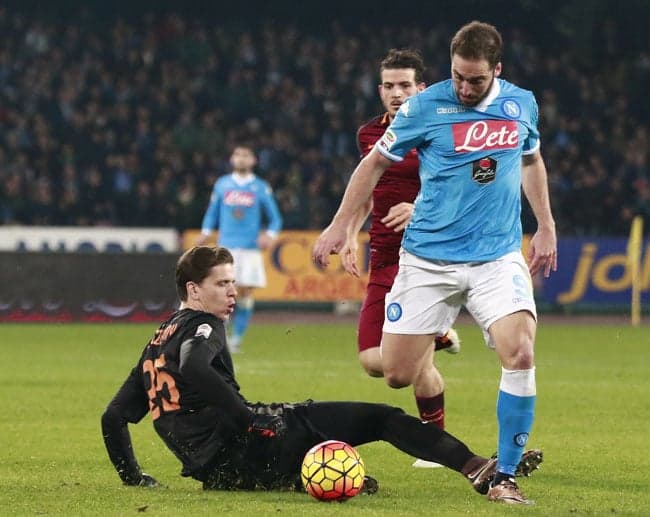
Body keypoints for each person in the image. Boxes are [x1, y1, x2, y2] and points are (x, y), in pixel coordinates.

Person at [313, 21, 557, 505]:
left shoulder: (521, 104)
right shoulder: (426, 106)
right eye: (458, 77)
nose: (465, 88)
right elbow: (374, 164)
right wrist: (342, 224)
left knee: (520, 351)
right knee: (396, 373)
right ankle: (435, 334)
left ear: (497, 70)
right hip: (427, 260)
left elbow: (531, 160)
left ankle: (503, 474)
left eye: (476, 80)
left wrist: (545, 225)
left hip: (496, 255)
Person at [101, 246, 542, 499]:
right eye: (222, 284)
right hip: (250, 444)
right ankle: (480, 468)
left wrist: (133, 476)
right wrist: (247, 419)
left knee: (317, 450)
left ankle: (302, 478)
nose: (233, 292)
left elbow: (114, 417)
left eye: (233, 282)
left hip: (219, 473)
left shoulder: (156, 342)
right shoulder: (202, 325)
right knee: (382, 419)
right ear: (193, 290)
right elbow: (194, 366)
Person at [342, 49, 461, 468]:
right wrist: (348, 233)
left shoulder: (442, 130)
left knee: (400, 374)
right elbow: (366, 190)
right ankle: (433, 336)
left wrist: (419, 207)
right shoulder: (368, 135)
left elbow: (461, 191)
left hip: (427, 257)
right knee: (372, 363)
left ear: (421, 89)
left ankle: (436, 444)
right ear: (380, 90)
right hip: (384, 256)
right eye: (390, 86)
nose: (397, 93)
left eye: (405, 85)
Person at [196, 145, 282, 352]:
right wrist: (206, 230)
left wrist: (269, 236)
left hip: (250, 248)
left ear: (253, 160)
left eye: (245, 155)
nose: (241, 159)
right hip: (226, 249)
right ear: (232, 159)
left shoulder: (260, 187)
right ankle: (221, 336)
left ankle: (237, 338)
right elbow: (212, 212)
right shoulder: (223, 184)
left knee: (243, 294)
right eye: (237, 155)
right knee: (220, 293)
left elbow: (275, 218)